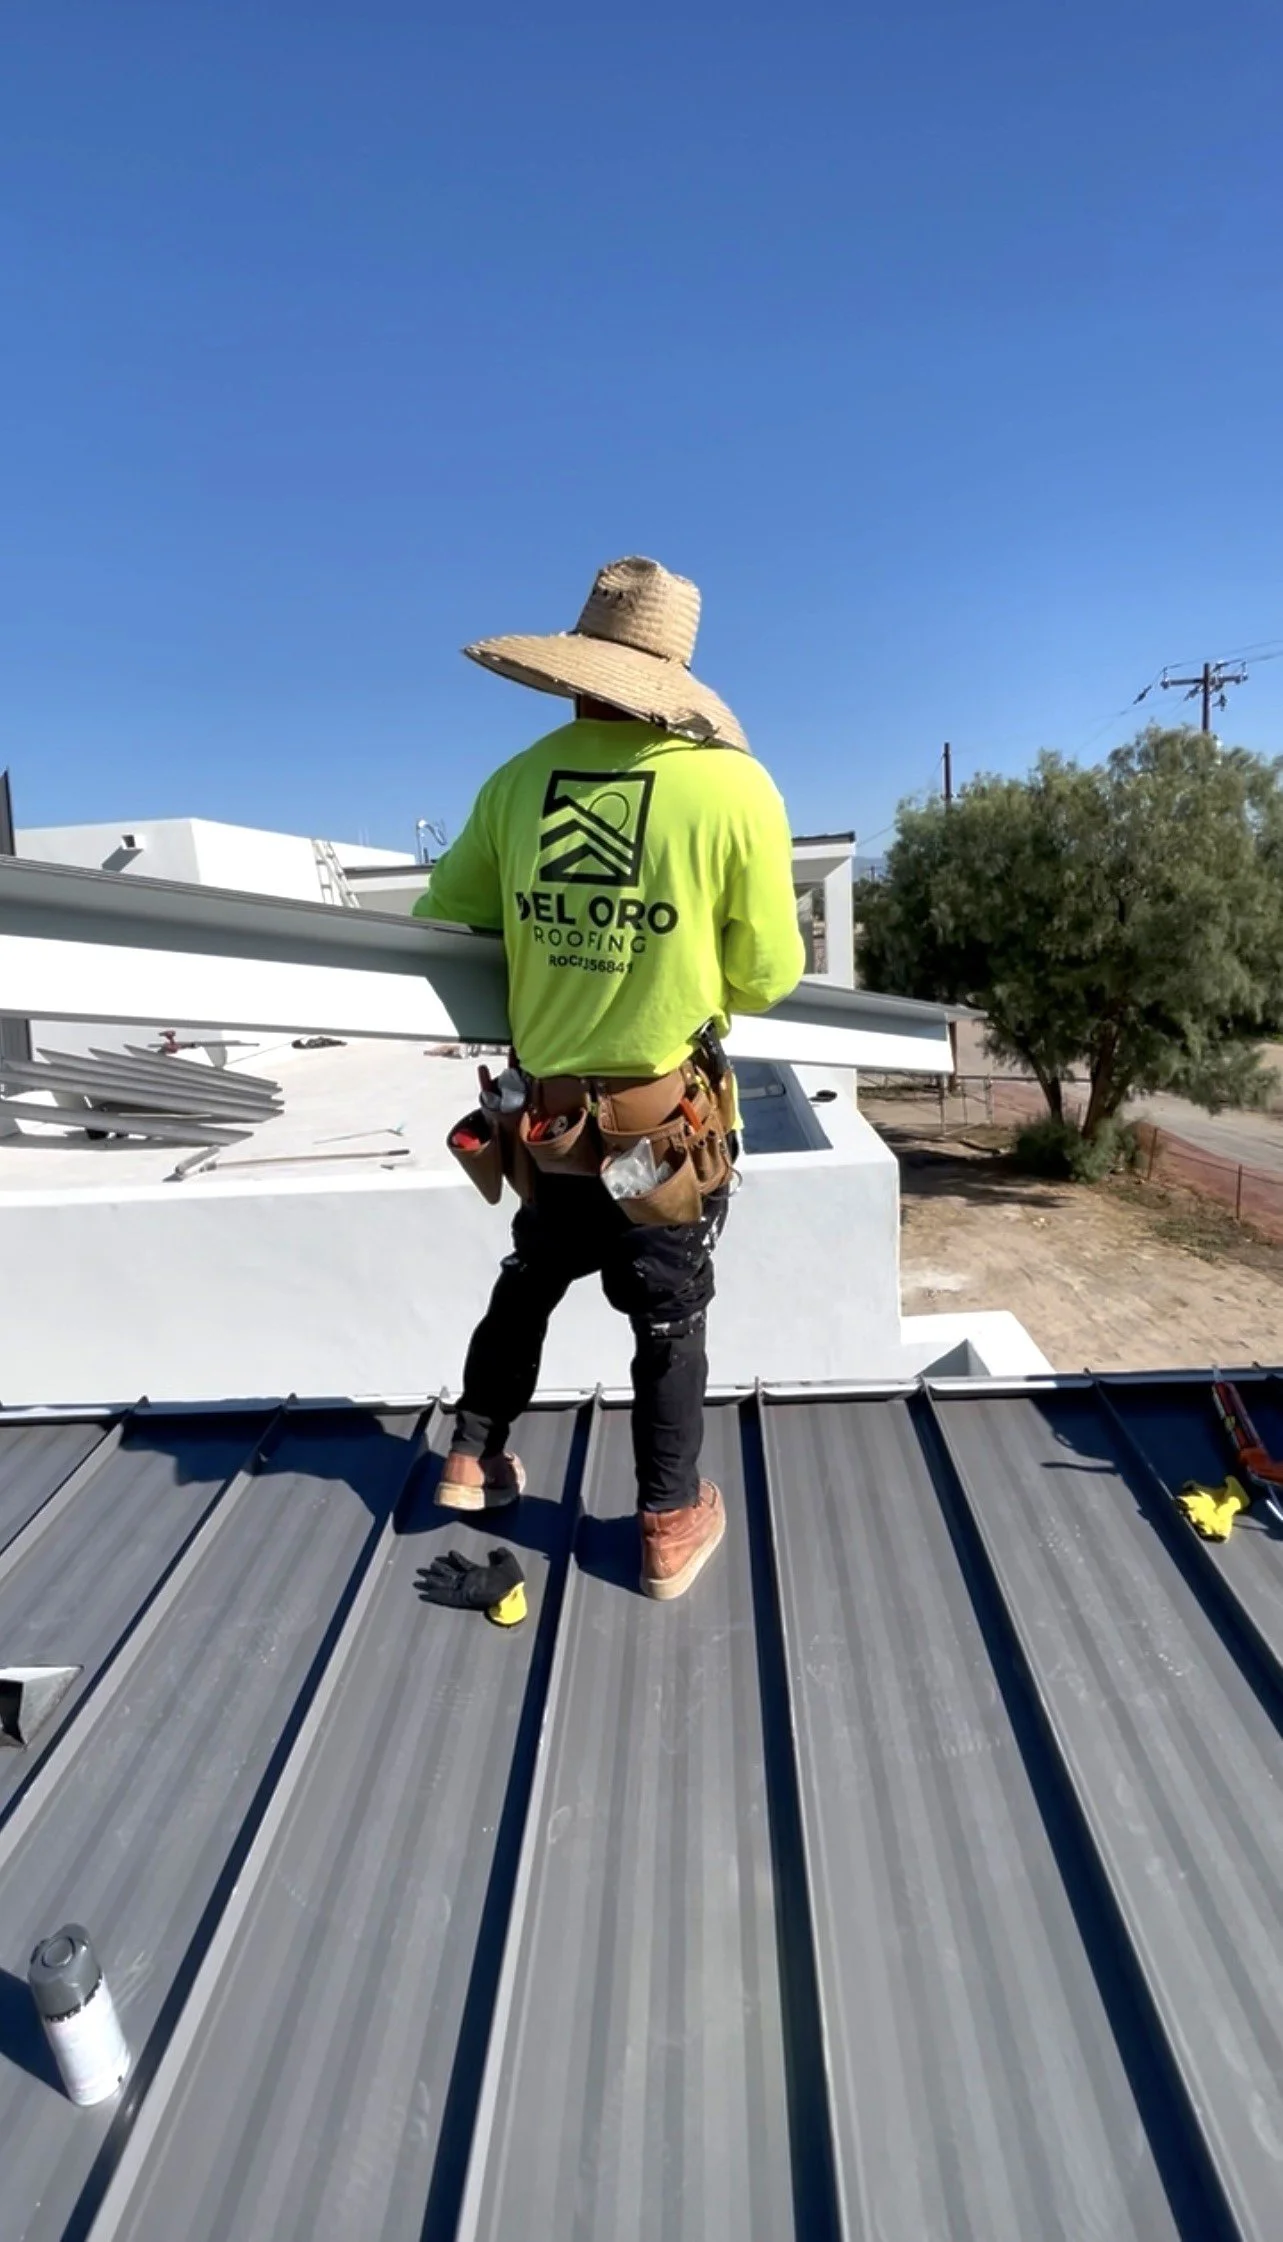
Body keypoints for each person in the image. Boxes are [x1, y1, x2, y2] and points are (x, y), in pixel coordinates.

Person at [416, 556, 803, 1598]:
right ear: (670, 677)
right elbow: (767, 977)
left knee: (531, 1272)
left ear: (578, 669)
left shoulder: (514, 782)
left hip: (544, 1120)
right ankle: (669, 1522)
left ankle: (471, 1453)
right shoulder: (730, 788)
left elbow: (450, 917)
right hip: (655, 1131)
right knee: (666, 1315)